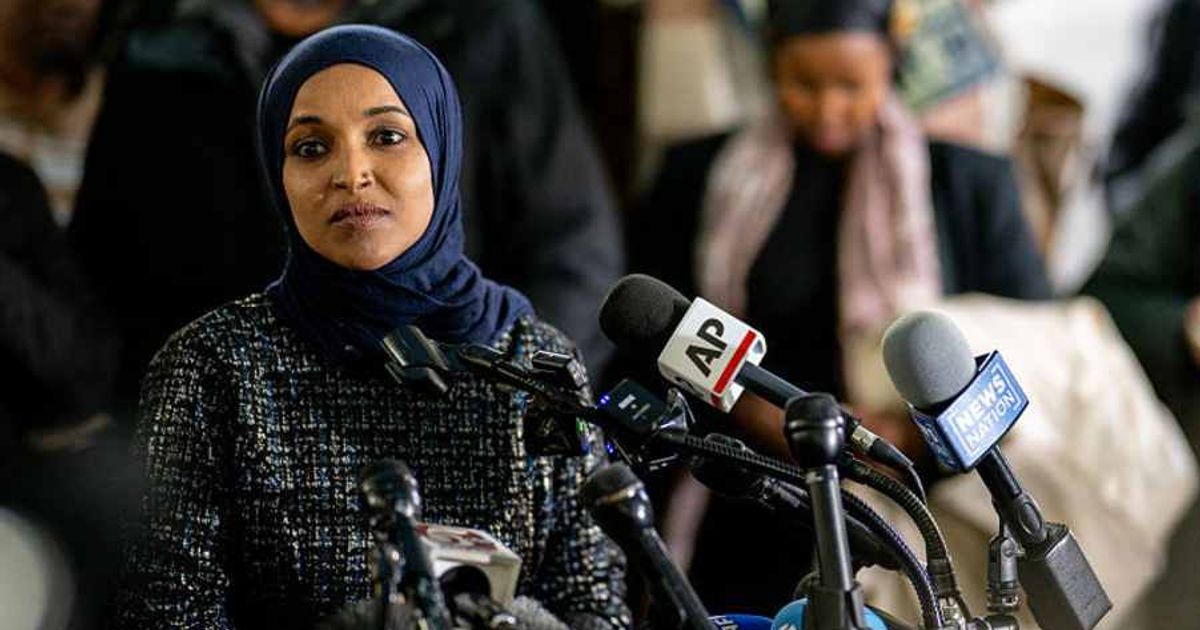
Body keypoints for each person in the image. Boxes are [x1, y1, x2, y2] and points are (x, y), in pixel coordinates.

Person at [110, 25, 630, 630]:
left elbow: (593, 604)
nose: (351, 172)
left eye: (386, 136)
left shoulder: (535, 360)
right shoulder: (213, 368)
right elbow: (166, 614)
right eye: (310, 147)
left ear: (440, 149)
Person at [628, 0, 1050, 614]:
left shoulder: (971, 186)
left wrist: (907, 433)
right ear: (771, 66)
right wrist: (753, 408)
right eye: (804, 84)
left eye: (852, 86)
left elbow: (1033, 356)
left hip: (914, 501)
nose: (828, 108)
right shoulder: (698, 178)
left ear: (892, 66)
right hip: (747, 488)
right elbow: (650, 329)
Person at [69, 0, 623, 423]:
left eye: (386, 136)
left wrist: (498, 408)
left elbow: (572, 248)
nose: (351, 173)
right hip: (229, 445)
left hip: (455, 406)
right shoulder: (161, 42)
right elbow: (106, 277)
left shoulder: (478, 24)